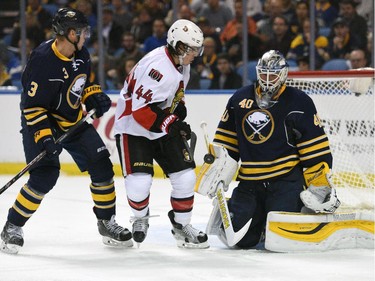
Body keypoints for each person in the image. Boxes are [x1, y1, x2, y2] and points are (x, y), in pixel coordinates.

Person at [0, 8, 133, 255]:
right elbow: (32, 106)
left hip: (71, 120)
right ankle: (12, 226)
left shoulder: (81, 53)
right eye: (83, 31)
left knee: (101, 164)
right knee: (45, 175)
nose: (86, 36)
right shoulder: (42, 60)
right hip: (40, 120)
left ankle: (106, 222)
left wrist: (94, 96)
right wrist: (45, 137)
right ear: (71, 33)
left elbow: (83, 83)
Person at [196, 50, 340, 249]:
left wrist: (320, 186)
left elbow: (315, 149)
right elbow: (226, 144)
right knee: (242, 242)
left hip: (285, 181)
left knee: (282, 240)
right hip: (250, 182)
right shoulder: (239, 99)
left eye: (273, 75)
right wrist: (217, 171)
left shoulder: (299, 102)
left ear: (283, 74)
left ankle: (281, 214)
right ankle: (245, 213)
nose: (267, 79)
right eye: (263, 74)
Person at [114, 19, 209, 249]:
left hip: (158, 124)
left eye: (198, 48)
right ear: (178, 46)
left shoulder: (180, 63)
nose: (196, 53)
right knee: (139, 184)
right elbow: (140, 112)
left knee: (186, 178)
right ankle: (140, 218)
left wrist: (178, 110)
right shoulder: (157, 68)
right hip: (133, 127)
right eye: (192, 48)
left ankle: (181, 225)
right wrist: (171, 124)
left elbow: (174, 93)